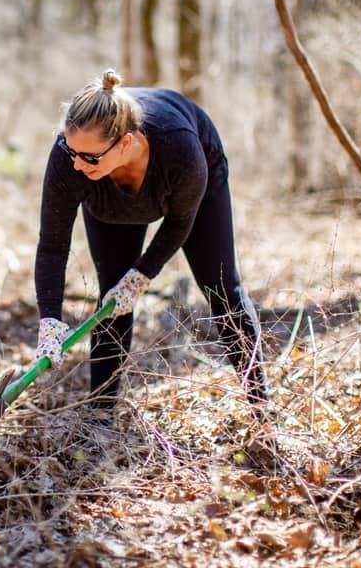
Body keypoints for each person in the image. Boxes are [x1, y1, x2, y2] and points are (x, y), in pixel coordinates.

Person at [34, 70, 268, 426]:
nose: (78, 164)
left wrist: (142, 274)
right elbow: (52, 246)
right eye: (71, 150)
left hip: (189, 182)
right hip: (110, 201)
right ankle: (101, 416)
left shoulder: (180, 147)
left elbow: (178, 223)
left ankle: (260, 409)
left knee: (221, 287)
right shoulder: (71, 160)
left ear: (126, 143)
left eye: (90, 158)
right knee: (113, 297)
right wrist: (50, 318)